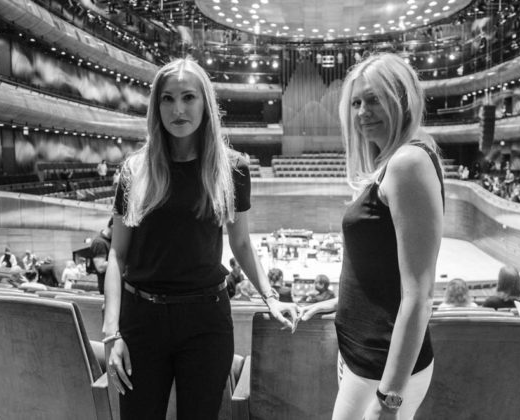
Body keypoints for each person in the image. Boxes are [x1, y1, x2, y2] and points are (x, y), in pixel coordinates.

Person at [102, 58, 299, 420]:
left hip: (205, 321)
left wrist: (270, 297)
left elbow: (241, 243)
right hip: (141, 320)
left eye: (188, 97)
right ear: (156, 106)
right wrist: (111, 332)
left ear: (205, 103)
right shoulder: (134, 170)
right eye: (167, 99)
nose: (178, 109)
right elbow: (117, 254)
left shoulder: (232, 168)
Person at [299, 53, 444, 420]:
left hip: (381, 371)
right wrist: (345, 302)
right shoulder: (392, 164)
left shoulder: (408, 163)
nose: (363, 112)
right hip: (362, 358)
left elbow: (419, 296)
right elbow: (382, 267)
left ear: (403, 100)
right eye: (356, 103)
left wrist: (389, 398)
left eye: (374, 99)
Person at [90, 217, 113, 294]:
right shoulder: (99, 243)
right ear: (113, 227)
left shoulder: (110, 241)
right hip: (107, 290)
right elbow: (100, 267)